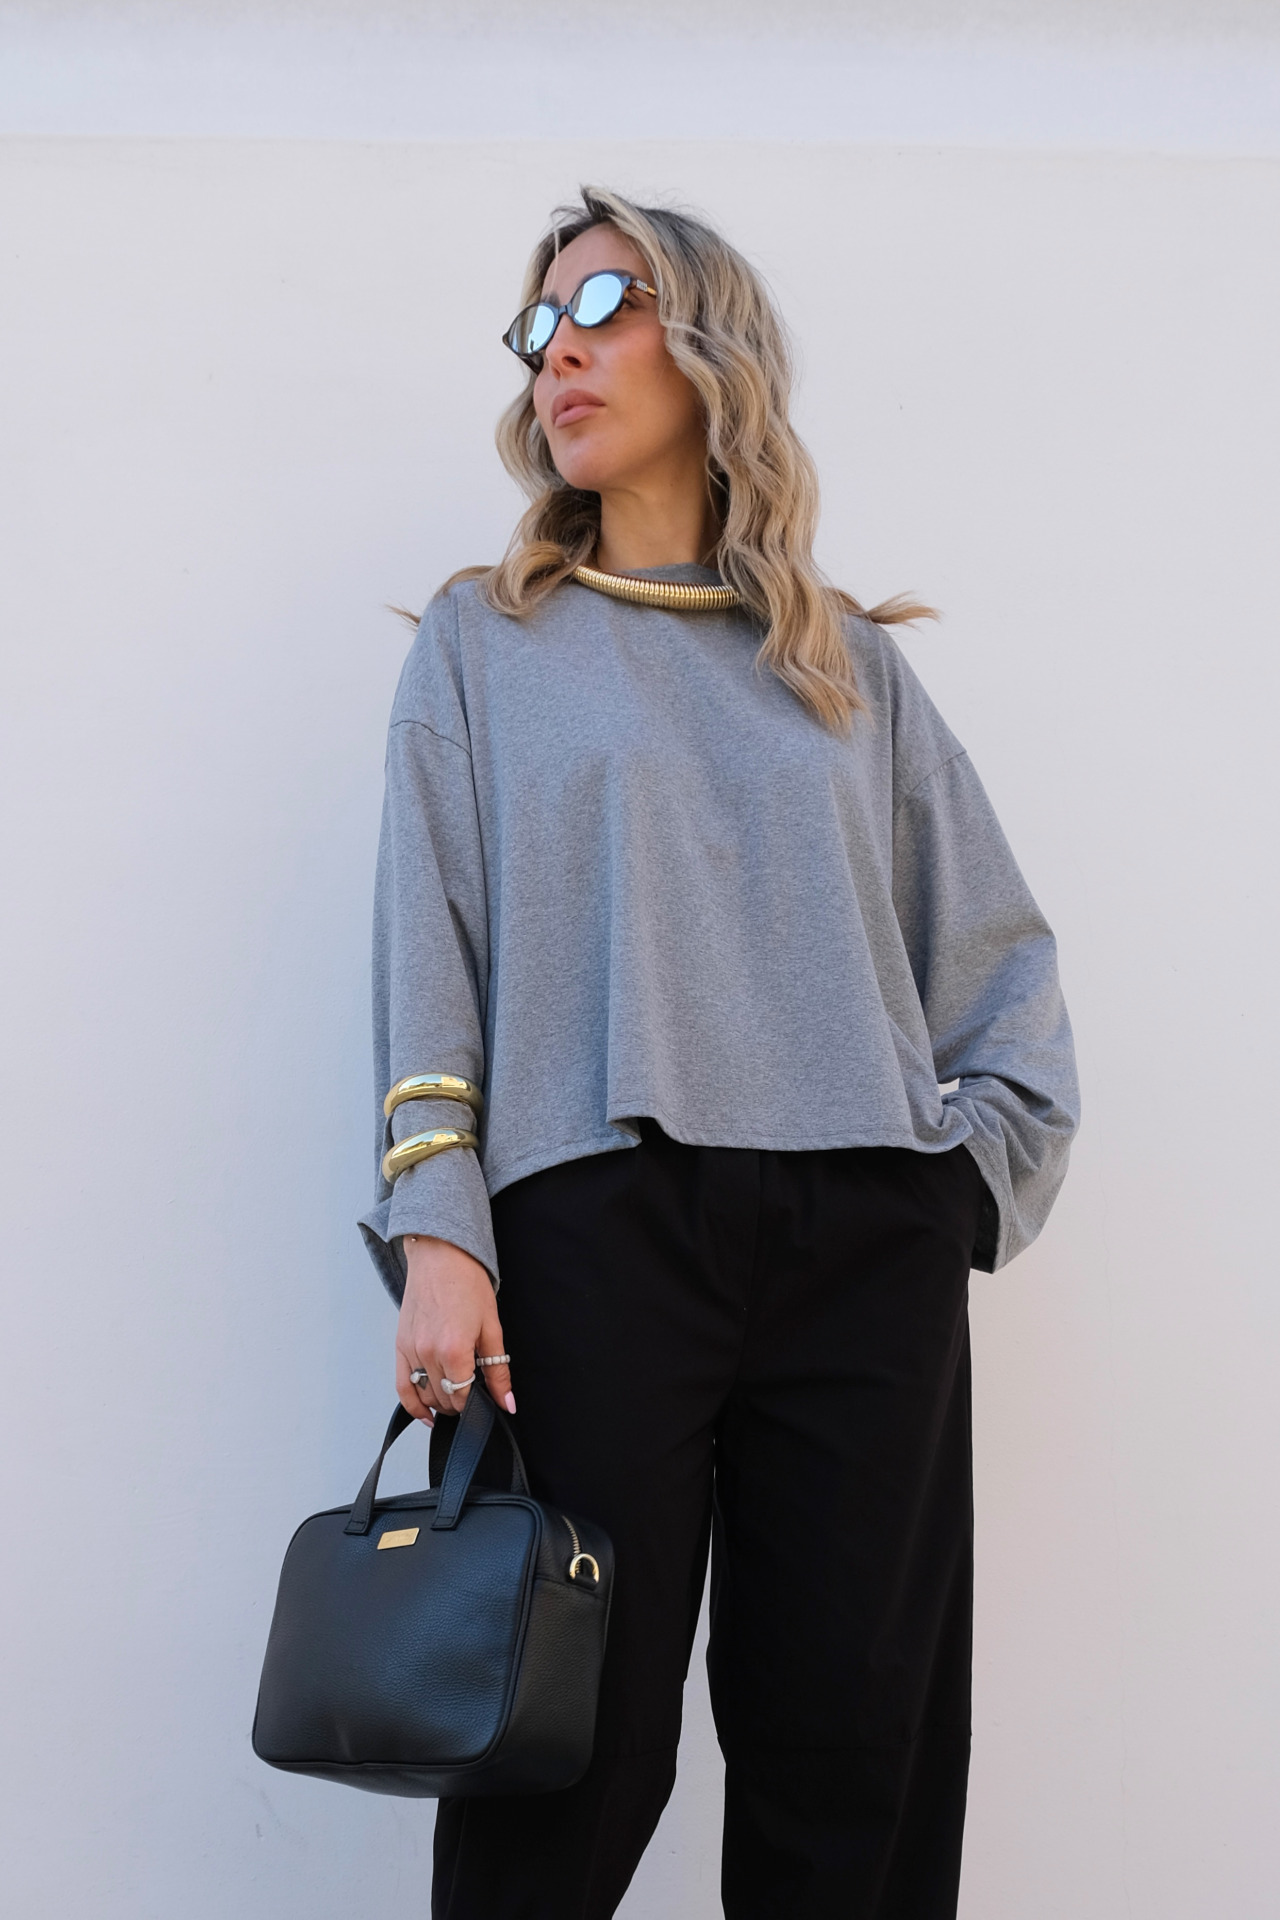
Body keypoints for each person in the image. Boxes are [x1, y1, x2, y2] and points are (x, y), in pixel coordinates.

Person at [358, 185, 1079, 1920]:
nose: (559, 352)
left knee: (855, 1753)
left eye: (601, 305)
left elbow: (1003, 973)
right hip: (597, 1229)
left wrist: (955, 1191)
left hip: (865, 1238)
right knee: (569, 1756)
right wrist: (442, 1226)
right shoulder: (484, 643)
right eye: (537, 326)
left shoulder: (845, 666)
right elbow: (427, 959)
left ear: (711, 343)